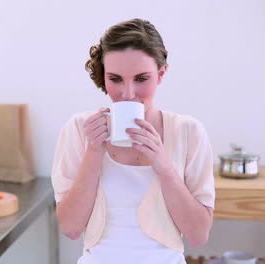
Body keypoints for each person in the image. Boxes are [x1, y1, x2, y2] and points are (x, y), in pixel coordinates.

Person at [51, 18, 215, 264]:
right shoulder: (78, 129)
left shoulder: (188, 131)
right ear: (103, 76)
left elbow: (198, 234)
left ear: (160, 74)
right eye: (115, 79)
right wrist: (94, 152)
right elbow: (71, 229)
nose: (127, 94)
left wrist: (164, 166)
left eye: (141, 79)